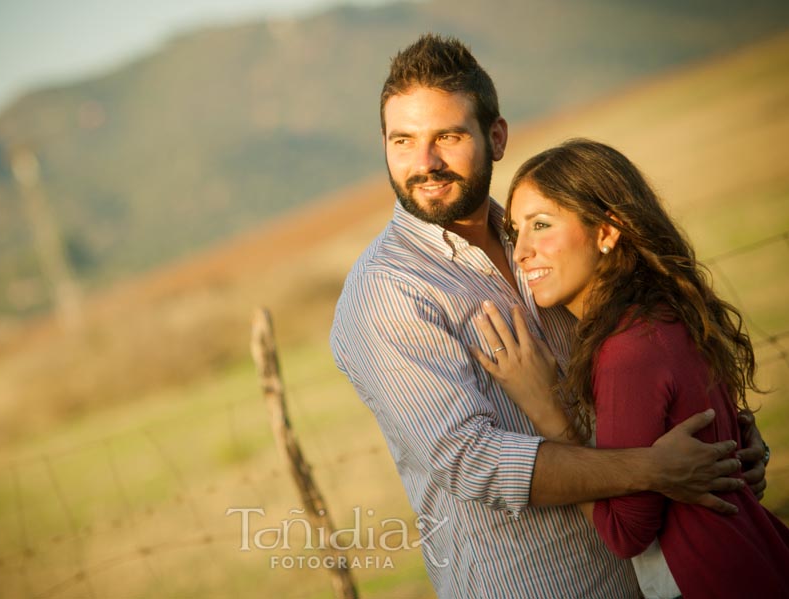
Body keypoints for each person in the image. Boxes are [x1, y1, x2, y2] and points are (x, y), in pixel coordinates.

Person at [329, 34, 769, 598]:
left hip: (658, 570)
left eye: (448, 136)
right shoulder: (387, 292)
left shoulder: (543, 236)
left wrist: (729, 447)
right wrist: (656, 470)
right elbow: (470, 459)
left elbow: (649, 364)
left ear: (496, 136)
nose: (425, 163)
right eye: (403, 140)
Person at [470, 138, 789, 599]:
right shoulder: (665, 315)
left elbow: (626, 533)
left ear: (607, 231)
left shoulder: (626, 351)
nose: (520, 252)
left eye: (541, 225)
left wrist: (547, 412)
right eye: (516, 230)